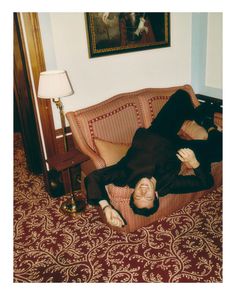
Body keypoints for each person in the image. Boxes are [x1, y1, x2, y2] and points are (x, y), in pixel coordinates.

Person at [85, 89, 222, 228]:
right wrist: (194, 163)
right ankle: (209, 125)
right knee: (220, 150)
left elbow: (93, 178)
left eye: (138, 196)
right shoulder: (167, 185)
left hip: (159, 131)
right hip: (178, 148)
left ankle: (198, 115)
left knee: (182, 96)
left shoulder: (125, 173)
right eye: (148, 197)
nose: (143, 191)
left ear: (133, 193)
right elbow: (205, 183)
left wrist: (106, 207)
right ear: (156, 195)